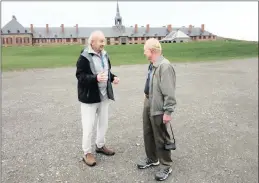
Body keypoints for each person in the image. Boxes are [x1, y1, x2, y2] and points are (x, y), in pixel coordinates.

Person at [75, 30, 120, 167]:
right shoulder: (84, 57)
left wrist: (113, 78)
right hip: (89, 99)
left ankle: (100, 146)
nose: (103, 43)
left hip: (104, 97)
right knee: (88, 126)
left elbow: (106, 71)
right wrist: (95, 78)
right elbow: (80, 77)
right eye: (100, 41)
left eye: (104, 41)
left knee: (103, 124)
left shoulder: (105, 55)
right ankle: (87, 153)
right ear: (92, 42)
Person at [137, 38, 177, 181]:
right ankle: (152, 158)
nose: (144, 53)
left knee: (161, 136)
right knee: (148, 132)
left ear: (152, 51)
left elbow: (169, 92)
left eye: (145, 50)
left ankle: (166, 165)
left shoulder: (164, 66)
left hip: (159, 107)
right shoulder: (152, 65)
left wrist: (168, 111)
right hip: (149, 102)